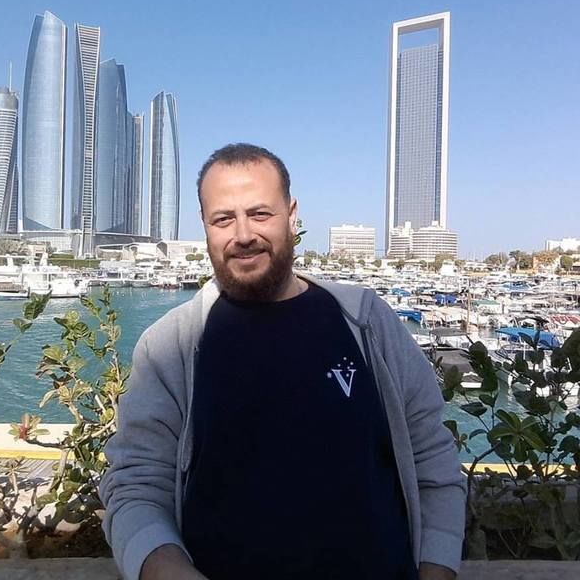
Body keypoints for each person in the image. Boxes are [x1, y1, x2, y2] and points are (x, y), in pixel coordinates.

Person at [99, 143, 466, 580]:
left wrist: (437, 568)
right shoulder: (170, 345)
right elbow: (136, 487)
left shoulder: (366, 322)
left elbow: (433, 460)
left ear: (292, 216)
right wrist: (168, 570)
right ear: (205, 226)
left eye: (260, 214)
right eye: (223, 219)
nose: (243, 234)